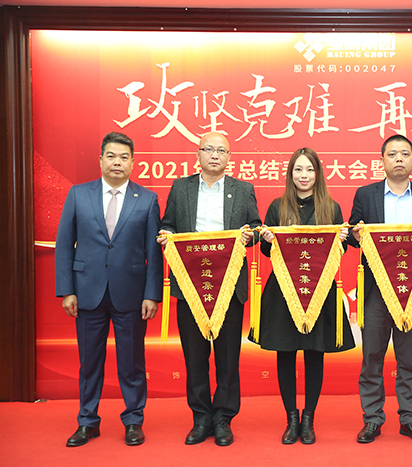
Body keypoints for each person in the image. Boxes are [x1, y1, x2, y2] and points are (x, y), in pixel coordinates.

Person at [55, 132, 163, 447]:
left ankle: (133, 420)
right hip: (87, 292)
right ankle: (87, 421)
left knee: (132, 363)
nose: (118, 162)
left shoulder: (147, 199)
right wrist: (67, 290)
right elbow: (64, 245)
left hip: (131, 294)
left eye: (124, 157)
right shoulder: (78, 194)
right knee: (90, 363)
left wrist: (151, 294)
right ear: (101, 159)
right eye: (112, 156)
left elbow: (153, 252)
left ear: (133, 162)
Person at [158, 131, 261, 446]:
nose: (215, 155)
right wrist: (165, 234)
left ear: (229, 157)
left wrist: (251, 236)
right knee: (195, 355)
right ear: (198, 154)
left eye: (221, 151)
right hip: (191, 284)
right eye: (209, 149)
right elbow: (168, 224)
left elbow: (257, 228)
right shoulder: (181, 187)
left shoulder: (243, 190)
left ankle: (224, 419)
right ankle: (201, 418)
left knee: (228, 357)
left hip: (229, 286)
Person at [251, 148, 355, 445]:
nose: (304, 175)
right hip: (283, 291)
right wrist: (267, 239)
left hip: (319, 291)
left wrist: (342, 239)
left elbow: (339, 251)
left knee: (314, 354)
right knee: (285, 354)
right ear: (290, 174)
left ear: (318, 174)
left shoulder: (331, 208)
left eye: (309, 169)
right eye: (298, 169)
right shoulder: (277, 207)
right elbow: (266, 251)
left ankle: (308, 418)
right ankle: (291, 418)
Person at [347, 134, 412, 444]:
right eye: (392, 154)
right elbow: (352, 233)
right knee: (372, 357)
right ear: (382, 161)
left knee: (408, 358)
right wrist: (356, 234)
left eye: (405, 154)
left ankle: (410, 419)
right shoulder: (366, 194)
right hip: (375, 290)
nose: (399, 158)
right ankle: (372, 419)